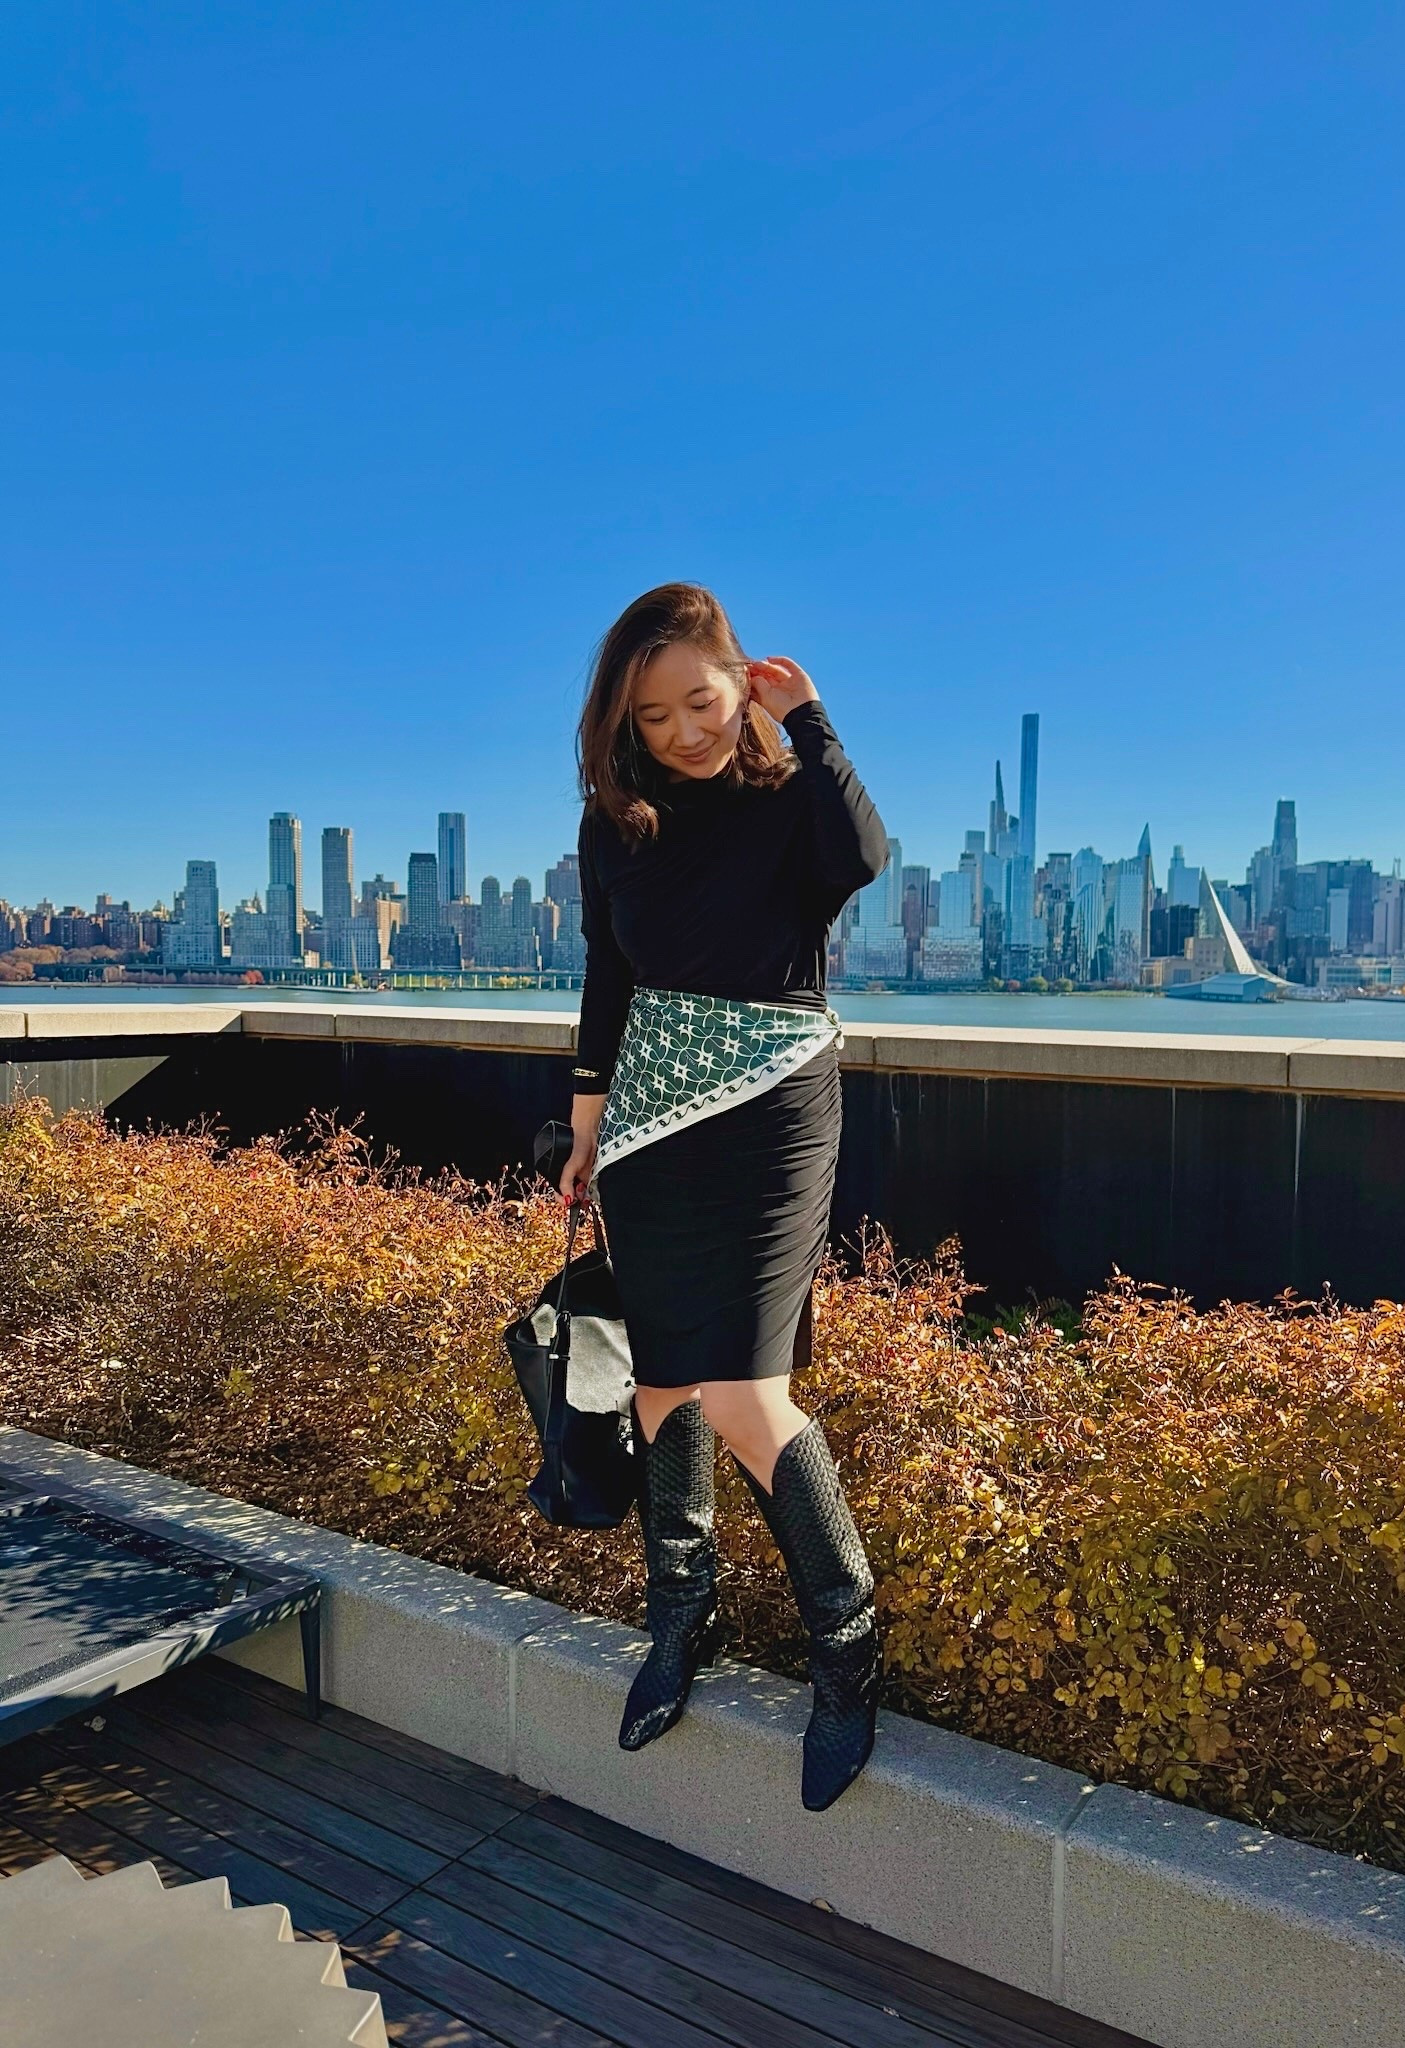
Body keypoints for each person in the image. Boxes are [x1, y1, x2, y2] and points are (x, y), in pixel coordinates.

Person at [560, 581, 889, 1811]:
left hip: (774, 1104)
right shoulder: (620, 824)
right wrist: (588, 1123)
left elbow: (860, 858)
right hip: (650, 1122)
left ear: (738, 678)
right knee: (656, 1383)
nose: (683, 731)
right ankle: (679, 1616)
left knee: (751, 1391)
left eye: (698, 700)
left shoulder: (790, 791)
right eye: (653, 716)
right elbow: (607, 977)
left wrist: (812, 727)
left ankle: (848, 1643)